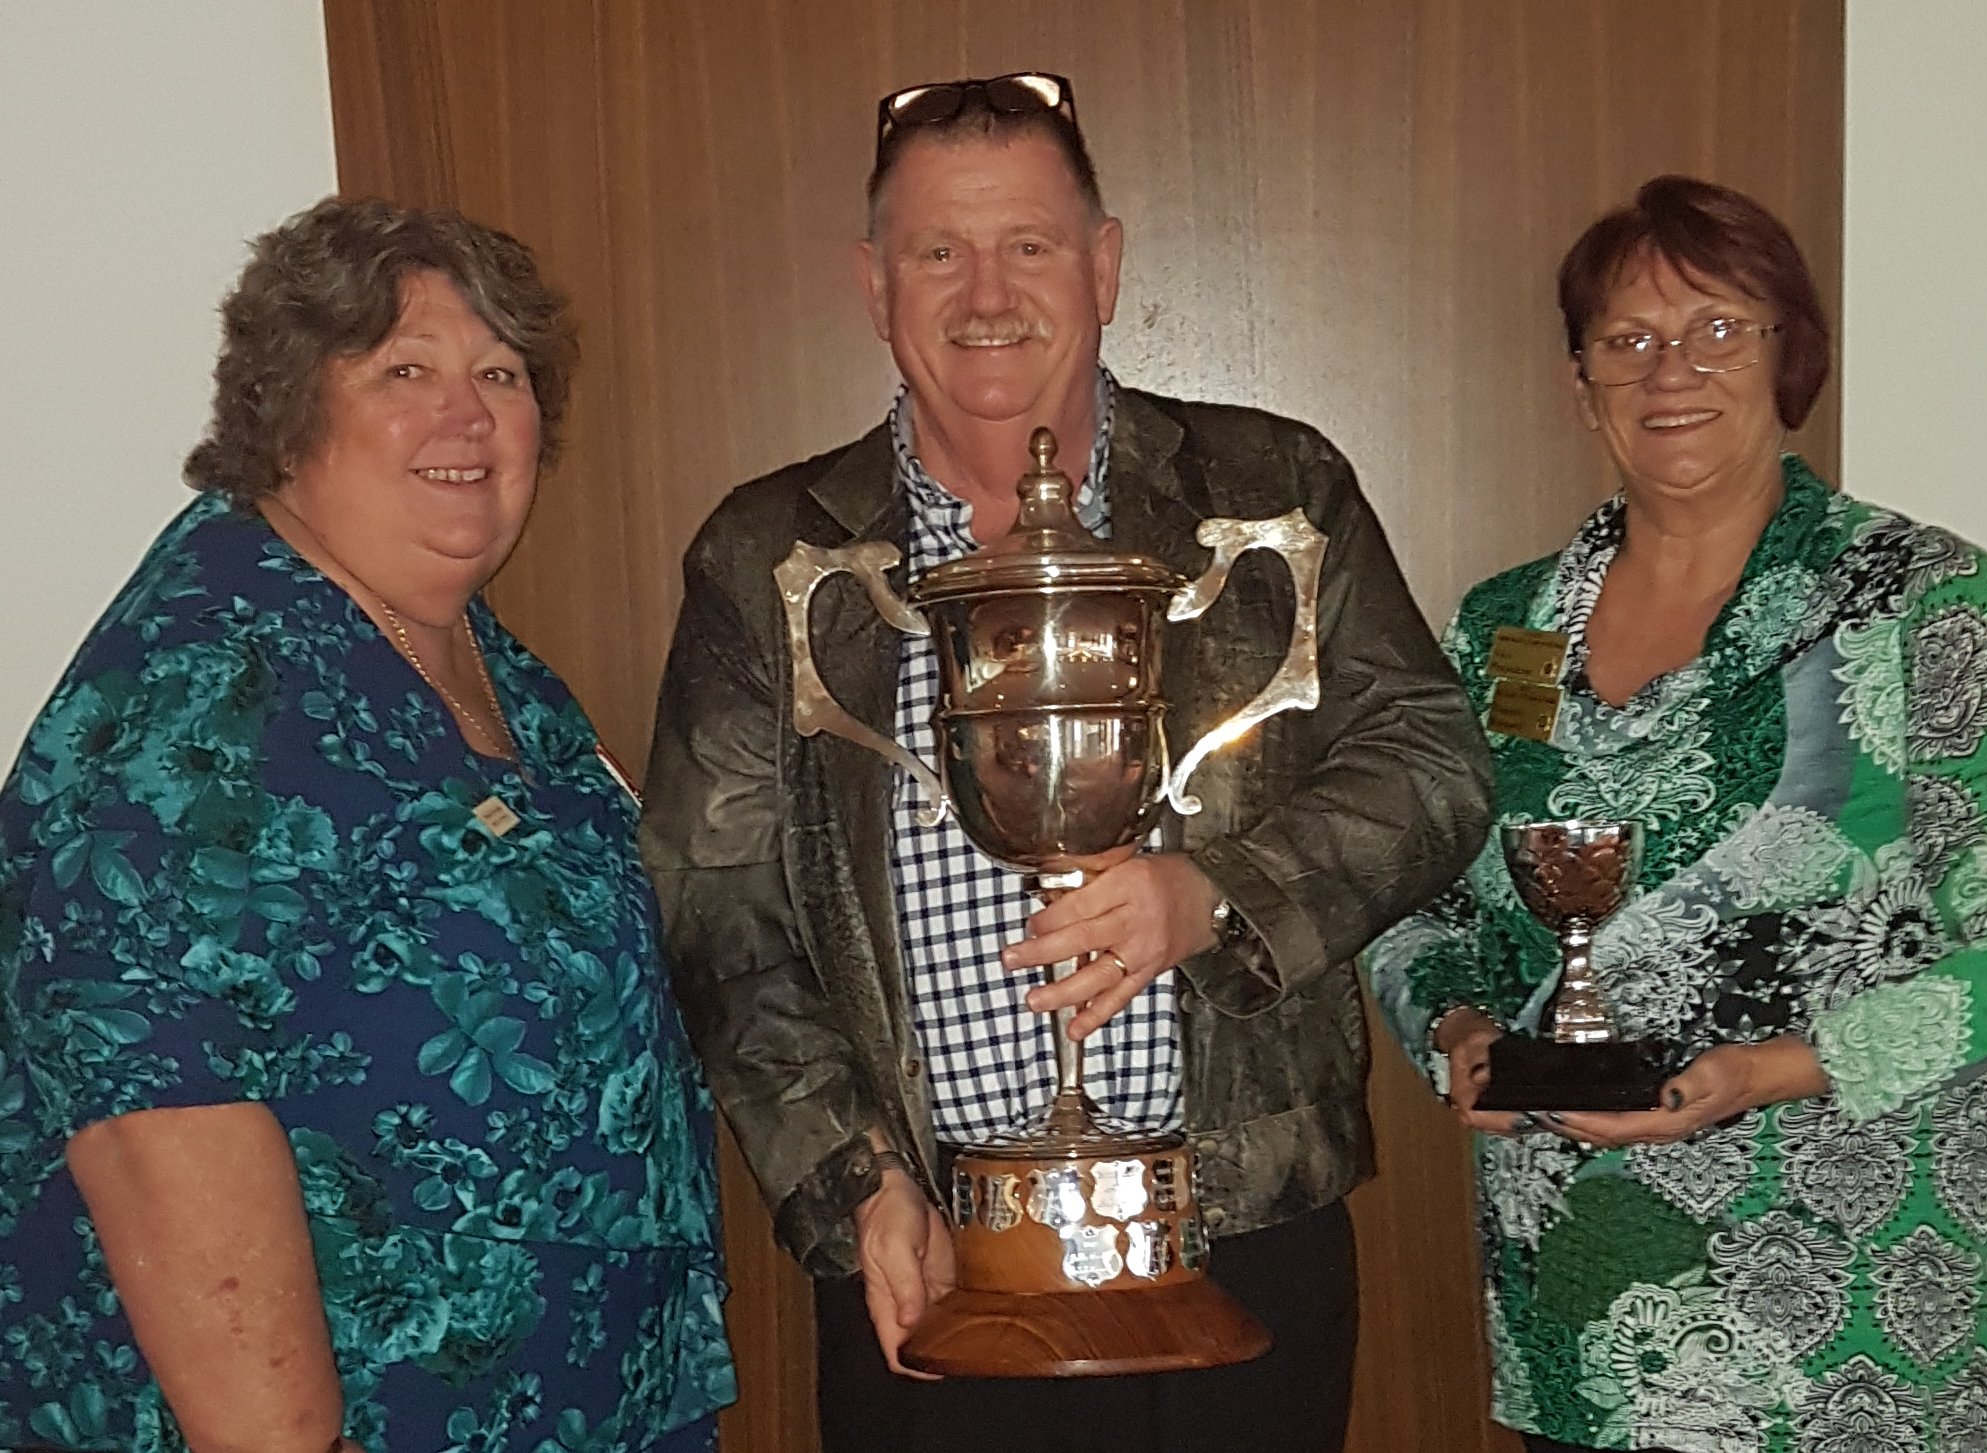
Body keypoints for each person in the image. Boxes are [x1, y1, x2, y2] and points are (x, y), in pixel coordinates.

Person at [642, 73, 1492, 1453]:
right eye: (937, 251)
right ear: (874, 284)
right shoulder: (770, 557)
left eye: (1028, 244)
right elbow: (715, 906)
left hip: (1242, 1233)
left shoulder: (1275, 489)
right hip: (928, 1251)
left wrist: (1219, 892)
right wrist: (857, 1184)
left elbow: (1433, 760)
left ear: (1103, 264)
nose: (986, 292)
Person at [1363, 174, 1987, 1453]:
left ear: (1793, 356)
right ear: (1581, 381)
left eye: (1720, 326)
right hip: (1585, 1318)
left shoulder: (1921, 600)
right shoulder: (1506, 630)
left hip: (1855, 1328)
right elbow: (1418, 898)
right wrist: (1454, 1032)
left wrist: (1773, 1070)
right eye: (1629, 339)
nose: (1673, 369)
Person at [0, 198, 735, 1453]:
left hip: (564, 1401)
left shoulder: (481, 661)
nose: (468, 414)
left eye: (499, 374)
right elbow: (148, 1103)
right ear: (288, 414)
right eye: (405, 369)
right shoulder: (202, 681)